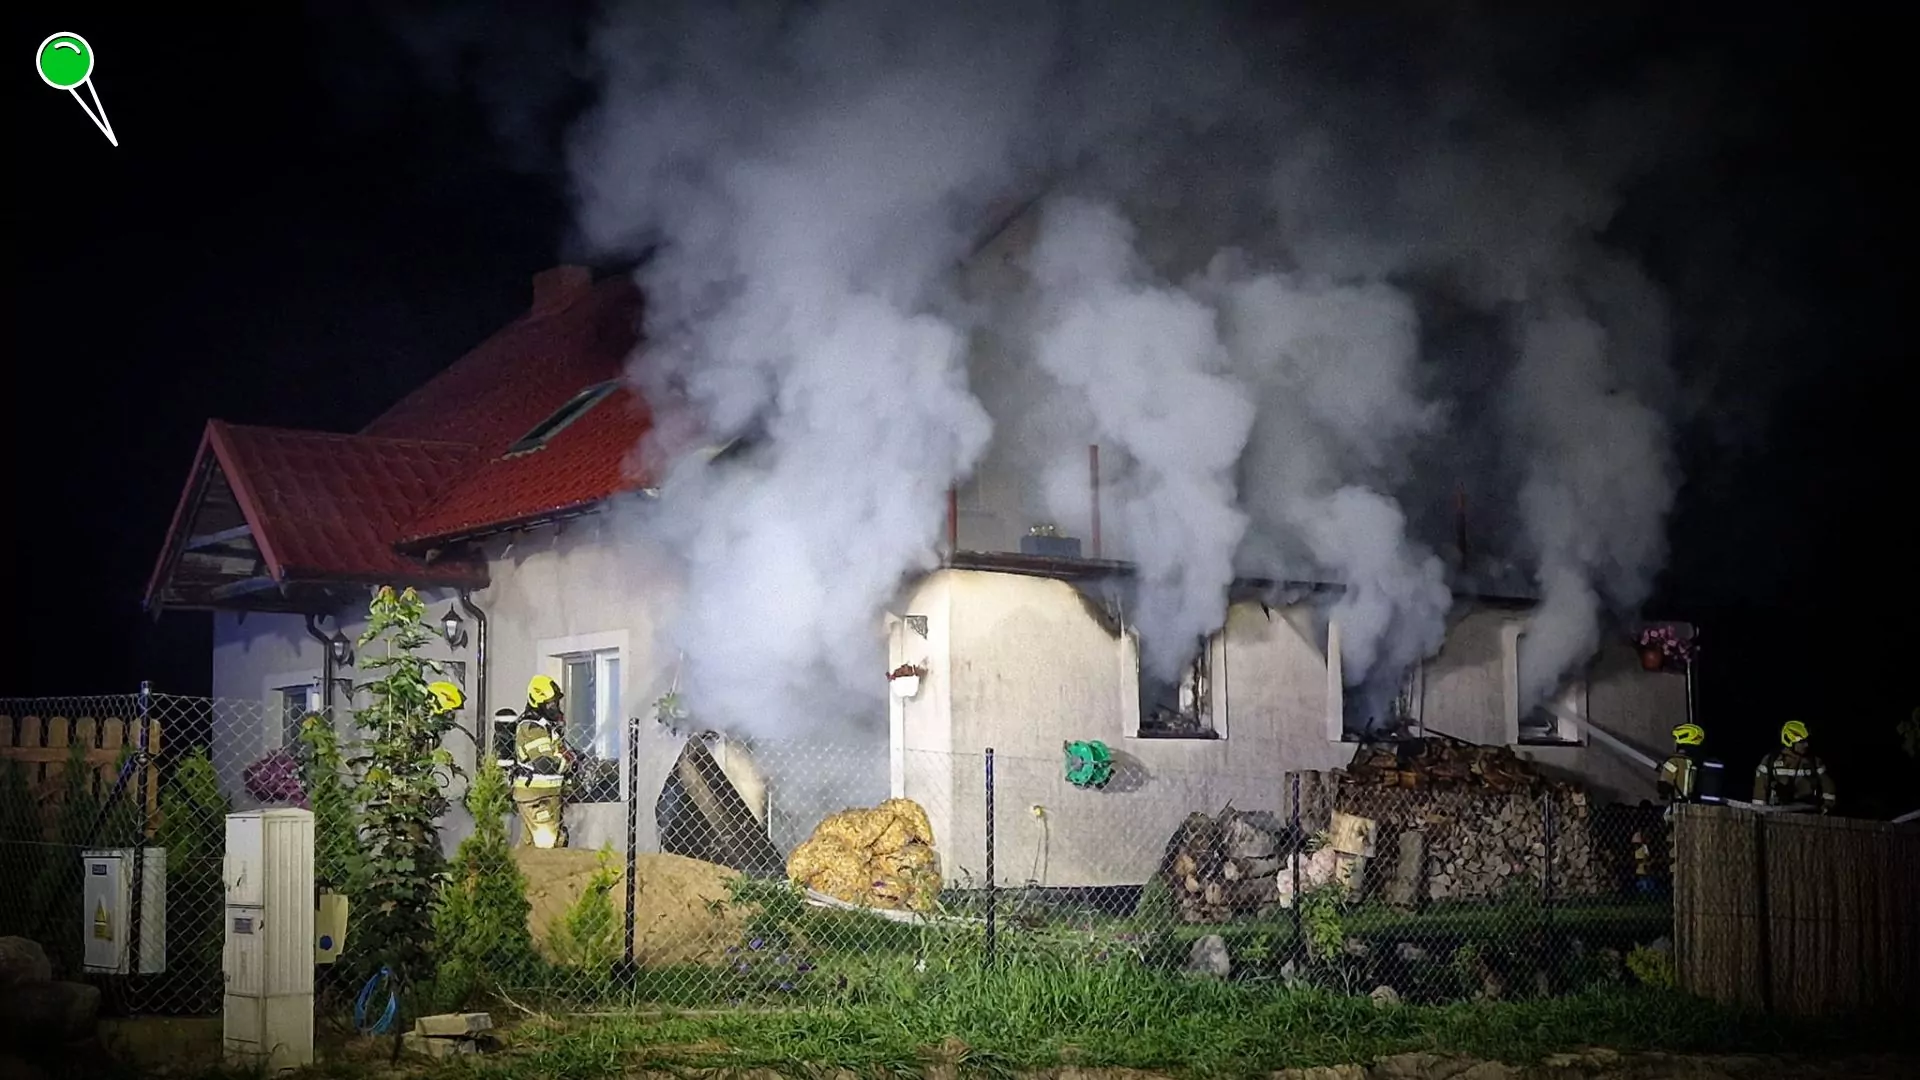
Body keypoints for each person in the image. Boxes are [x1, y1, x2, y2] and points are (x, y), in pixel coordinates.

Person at [512, 674, 571, 848]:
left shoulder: (545, 725)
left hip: (545, 794)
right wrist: (567, 763)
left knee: (530, 846)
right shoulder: (533, 727)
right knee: (547, 844)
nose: (555, 707)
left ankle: (518, 874)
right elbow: (544, 763)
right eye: (550, 703)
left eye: (555, 702)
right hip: (536, 796)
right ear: (538, 703)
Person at [1752, 720, 1837, 813]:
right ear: (1789, 742)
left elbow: (1828, 788)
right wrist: (1759, 813)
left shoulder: (1814, 762)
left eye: (1807, 741)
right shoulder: (1770, 762)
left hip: (1808, 812)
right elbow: (1759, 793)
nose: (1806, 745)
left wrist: (1827, 806)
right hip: (1777, 812)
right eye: (1801, 742)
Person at [1658, 723, 1705, 805]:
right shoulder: (1698, 764)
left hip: (1678, 807)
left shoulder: (1674, 762)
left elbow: (1663, 787)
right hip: (1695, 806)